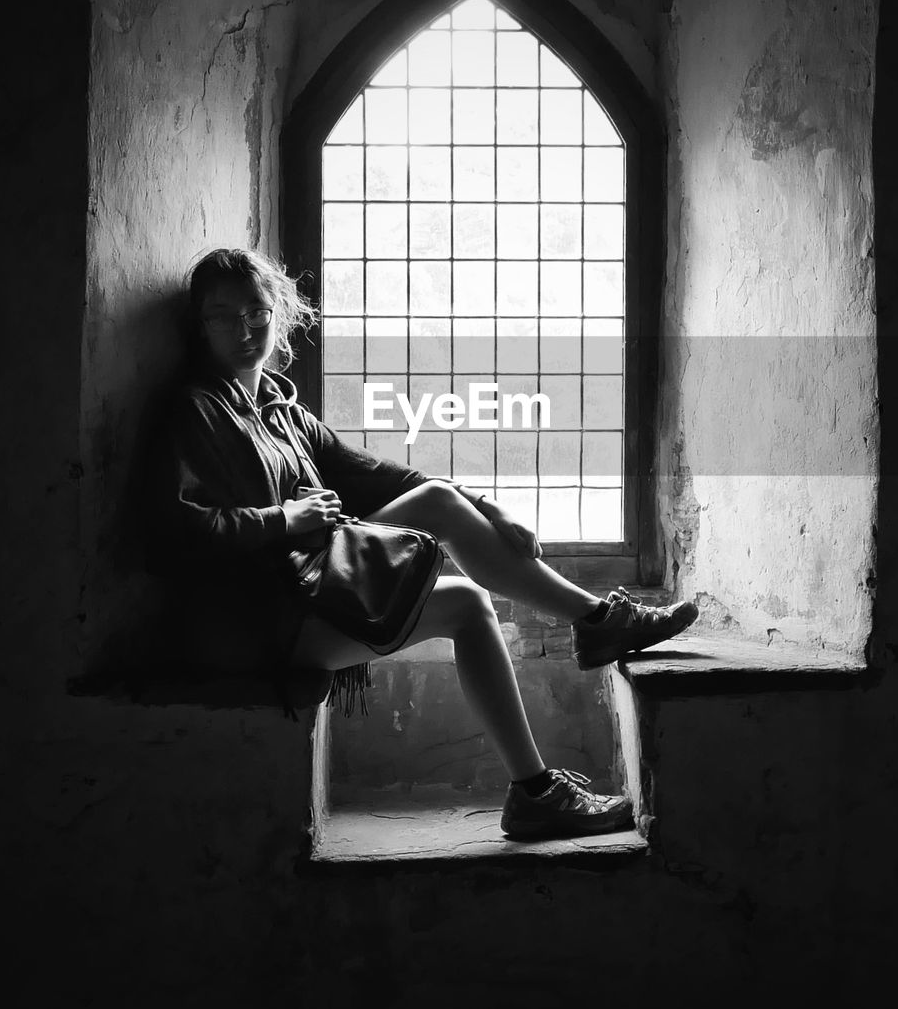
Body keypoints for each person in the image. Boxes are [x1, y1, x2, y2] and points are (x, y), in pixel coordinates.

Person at [159, 247, 698, 840]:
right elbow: (182, 530)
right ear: (198, 324)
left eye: (256, 311)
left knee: (453, 549)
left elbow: (385, 476)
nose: (243, 329)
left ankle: (568, 699)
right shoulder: (195, 409)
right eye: (221, 316)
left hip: (308, 586)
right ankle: (567, 705)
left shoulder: (281, 409)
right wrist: (282, 520)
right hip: (258, 620)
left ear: (277, 313)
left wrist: (486, 504)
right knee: (455, 561)